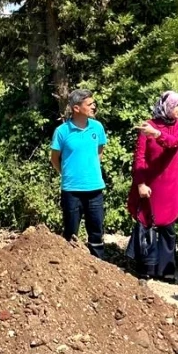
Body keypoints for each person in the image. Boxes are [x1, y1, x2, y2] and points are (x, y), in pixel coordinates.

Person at [126, 91, 178, 280]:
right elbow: (139, 157)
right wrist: (141, 183)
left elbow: (175, 142)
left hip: (170, 184)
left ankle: (167, 269)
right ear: (167, 106)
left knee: (168, 227)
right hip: (150, 183)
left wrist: (158, 134)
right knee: (147, 223)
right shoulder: (149, 126)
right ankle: (147, 266)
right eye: (177, 105)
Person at [51, 89, 107, 259]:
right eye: (89, 104)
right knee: (70, 233)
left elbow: (99, 152)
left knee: (96, 232)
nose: (93, 106)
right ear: (76, 108)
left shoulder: (97, 127)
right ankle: (69, 268)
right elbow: (55, 159)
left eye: (93, 103)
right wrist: (68, 174)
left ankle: (99, 267)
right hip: (71, 191)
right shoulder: (62, 132)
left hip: (95, 189)